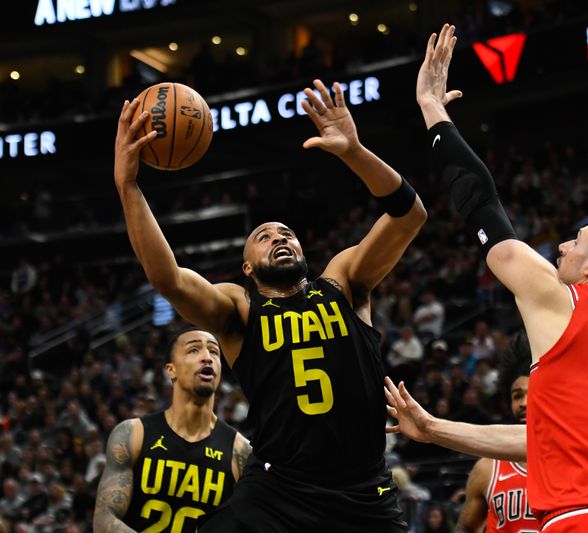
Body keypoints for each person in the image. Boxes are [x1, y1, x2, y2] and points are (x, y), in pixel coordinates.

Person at [385, 23, 588, 531]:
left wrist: (431, 108)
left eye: (576, 242)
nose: (561, 247)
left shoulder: (564, 301)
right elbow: (545, 441)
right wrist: (432, 427)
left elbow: (482, 204)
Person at [114, 78, 425, 532]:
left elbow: (410, 215)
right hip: (281, 492)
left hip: (362, 492)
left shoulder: (344, 282)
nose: (279, 237)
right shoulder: (238, 309)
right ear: (246, 268)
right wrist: (128, 185)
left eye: (287, 233)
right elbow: (168, 277)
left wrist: (354, 151)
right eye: (264, 236)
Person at [94, 328, 250, 532]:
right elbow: (104, 519)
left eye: (214, 352)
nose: (207, 357)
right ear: (171, 370)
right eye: (194, 350)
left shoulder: (241, 451)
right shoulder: (133, 434)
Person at [455, 332, 539, 532]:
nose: (524, 403)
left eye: (534, 392)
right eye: (517, 396)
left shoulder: (572, 462)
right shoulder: (487, 469)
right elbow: (465, 528)